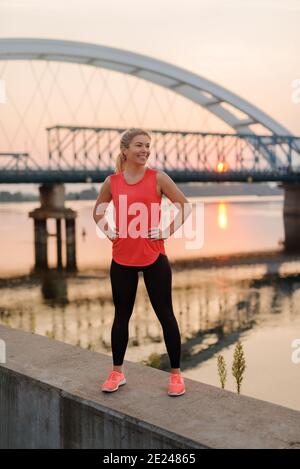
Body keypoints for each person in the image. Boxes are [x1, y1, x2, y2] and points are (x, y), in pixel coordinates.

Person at [93, 128, 192, 396]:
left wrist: (166, 231)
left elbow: (185, 205)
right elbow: (98, 211)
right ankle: (116, 373)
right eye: (139, 145)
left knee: (166, 315)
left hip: (154, 257)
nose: (145, 150)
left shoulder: (158, 178)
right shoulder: (111, 182)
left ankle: (175, 376)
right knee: (121, 317)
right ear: (125, 150)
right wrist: (110, 231)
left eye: (148, 146)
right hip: (122, 258)